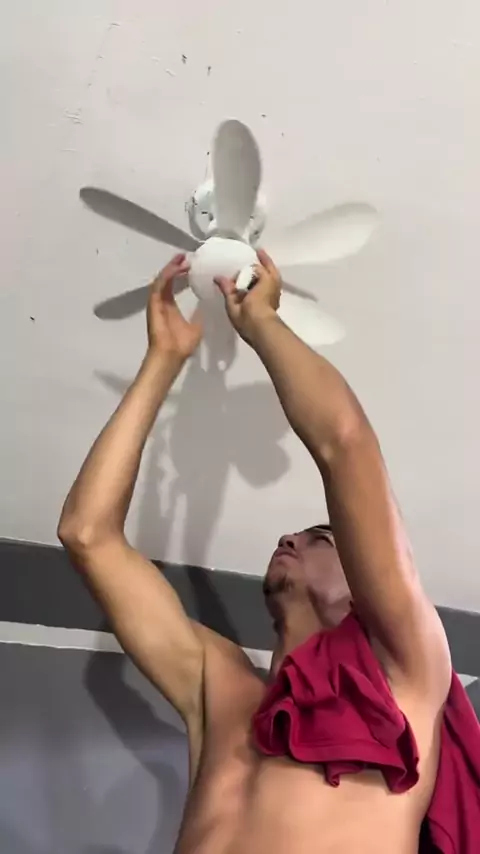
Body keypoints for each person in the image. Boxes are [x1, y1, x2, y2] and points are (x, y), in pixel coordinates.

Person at [58, 250, 451, 854]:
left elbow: (345, 445)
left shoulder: (407, 673)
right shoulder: (218, 682)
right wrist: (163, 361)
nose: (289, 539)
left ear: (362, 585)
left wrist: (262, 322)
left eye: (321, 539)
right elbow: (87, 534)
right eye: (300, 534)